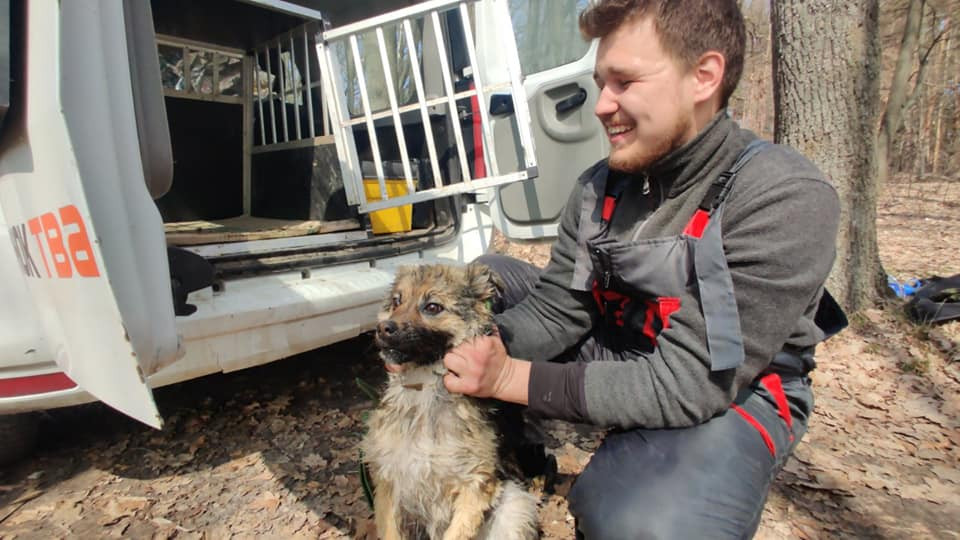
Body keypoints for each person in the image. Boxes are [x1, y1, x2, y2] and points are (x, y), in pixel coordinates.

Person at [398, 0, 846, 537]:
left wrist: (508, 376)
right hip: (619, 346)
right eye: (599, 82)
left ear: (703, 76)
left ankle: (649, 472)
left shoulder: (781, 196)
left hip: (730, 390)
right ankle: (519, 458)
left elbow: (691, 383)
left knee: (640, 523)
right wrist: (455, 345)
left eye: (624, 82)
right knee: (491, 281)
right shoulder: (597, 186)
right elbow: (558, 310)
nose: (601, 104)